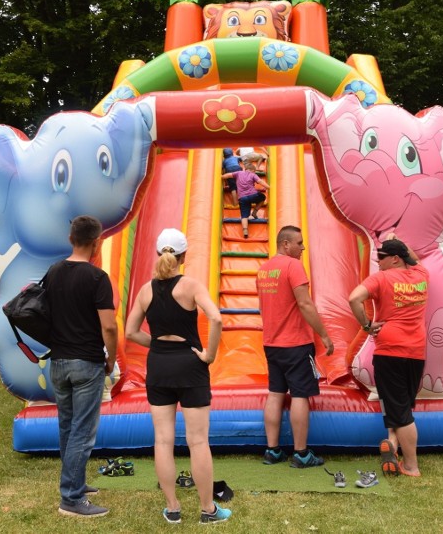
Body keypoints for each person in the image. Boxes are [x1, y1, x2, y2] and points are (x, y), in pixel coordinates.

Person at [124, 228, 230, 525]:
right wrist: (208, 354)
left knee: (162, 441)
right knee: (197, 442)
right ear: (183, 256)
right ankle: (208, 510)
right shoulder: (191, 286)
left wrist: (157, 345)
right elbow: (217, 318)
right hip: (190, 364)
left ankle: (172, 508)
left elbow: (131, 332)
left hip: (158, 365)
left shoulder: (146, 290)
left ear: (159, 254)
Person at [45, 215, 118, 518]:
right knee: (83, 431)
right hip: (86, 362)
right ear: (97, 242)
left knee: (67, 426)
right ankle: (71, 498)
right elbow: (109, 327)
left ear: (70, 238)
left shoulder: (53, 272)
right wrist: (111, 359)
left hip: (58, 361)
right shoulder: (97, 278)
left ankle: (76, 482)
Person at [348, 235, 428, 478]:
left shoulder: (381, 278)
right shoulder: (422, 275)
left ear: (394, 259)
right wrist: (400, 240)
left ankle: (411, 466)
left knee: (400, 410)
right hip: (416, 351)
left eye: (381, 258)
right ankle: (392, 443)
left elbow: (353, 298)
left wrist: (366, 325)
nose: (377, 262)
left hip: (390, 349)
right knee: (402, 403)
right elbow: (413, 257)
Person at [256, 225, 334, 468]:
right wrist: (324, 335)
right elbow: (305, 304)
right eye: (299, 243)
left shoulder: (264, 270)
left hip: (272, 343)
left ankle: (272, 450)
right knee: (300, 395)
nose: (302, 248)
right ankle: (301, 454)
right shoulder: (293, 266)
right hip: (296, 343)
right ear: (285, 244)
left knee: (276, 393)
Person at [221, 159, 269, 239]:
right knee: (263, 197)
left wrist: (221, 176)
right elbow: (260, 181)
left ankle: (245, 231)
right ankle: (254, 212)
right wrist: (269, 187)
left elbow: (227, 175)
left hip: (242, 198)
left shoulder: (238, 173)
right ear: (252, 170)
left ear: (245, 169)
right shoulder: (253, 174)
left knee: (244, 216)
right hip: (253, 195)